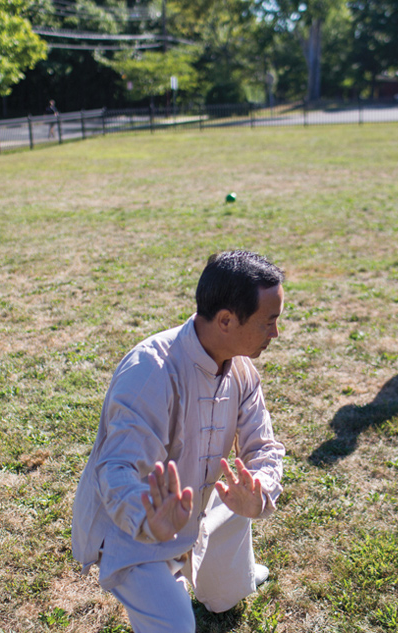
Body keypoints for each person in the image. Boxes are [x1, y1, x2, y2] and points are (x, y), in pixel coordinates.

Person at [71, 250, 286, 632]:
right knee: (176, 628)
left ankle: (233, 576)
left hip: (200, 505)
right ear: (225, 320)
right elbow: (116, 468)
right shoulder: (150, 370)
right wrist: (146, 519)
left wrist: (259, 492)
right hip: (137, 528)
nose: (275, 333)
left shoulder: (241, 369)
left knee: (225, 595)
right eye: (268, 322)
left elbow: (263, 448)